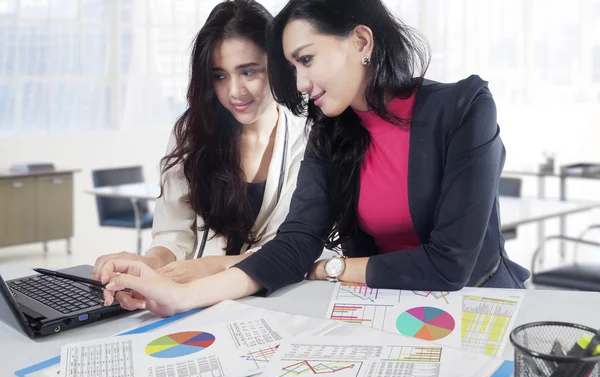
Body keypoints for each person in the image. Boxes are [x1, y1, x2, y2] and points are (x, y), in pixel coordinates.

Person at [99, 0, 530, 317]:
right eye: (292, 67)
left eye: (306, 60)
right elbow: (295, 243)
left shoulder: (464, 108)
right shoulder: (332, 128)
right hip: (378, 306)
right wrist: (183, 296)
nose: (300, 83)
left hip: (475, 303)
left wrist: (327, 268)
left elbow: (449, 264)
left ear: (361, 40)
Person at [92, 0, 307, 286]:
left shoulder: (305, 141)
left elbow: (287, 248)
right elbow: (173, 235)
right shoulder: (191, 132)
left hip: (271, 294)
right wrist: (148, 262)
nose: (234, 91)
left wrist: (212, 267)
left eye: (248, 71)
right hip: (193, 298)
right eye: (220, 75)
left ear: (278, 65)